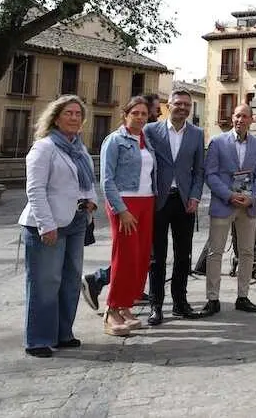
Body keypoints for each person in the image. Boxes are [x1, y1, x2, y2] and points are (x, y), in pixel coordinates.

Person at [19, 95, 99, 356]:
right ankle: (38, 340)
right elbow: (35, 189)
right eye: (69, 113)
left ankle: (63, 333)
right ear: (55, 117)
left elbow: (88, 182)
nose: (75, 117)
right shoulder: (44, 148)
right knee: (45, 282)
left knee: (70, 280)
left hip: (76, 222)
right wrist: (46, 225)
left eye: (78, 114)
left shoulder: (79, 148)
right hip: (47, 224)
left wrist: (91, 201)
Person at [143, 90, 206, 325]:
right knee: (156, 257)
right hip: (158, 201)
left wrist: (195, 197)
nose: (182, 107)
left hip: (184, 202)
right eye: (178, 103)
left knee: (183, 256)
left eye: (187, 104)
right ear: (168, 105)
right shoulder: (151, 131)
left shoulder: (198, 134)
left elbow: (199, 171)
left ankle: (180, 303)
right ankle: (156, 306)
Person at [203, 104, 256, 314]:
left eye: (245, 116)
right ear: (232, 118)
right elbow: (210, 174)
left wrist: (253, 197)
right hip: (223, 204)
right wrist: (229, 195)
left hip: (248, 207)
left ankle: (243, 296)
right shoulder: (217, 142)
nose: (240, 120)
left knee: (247, 252)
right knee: (215, 253)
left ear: (251, 120)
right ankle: (213, 299)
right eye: (237, 116)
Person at [100, 96, 157, 332]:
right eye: (136, 113)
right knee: (123, 257)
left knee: (140, 258)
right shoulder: (114, 140)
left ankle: (126, 306)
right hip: (125, 202)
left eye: (144, 114)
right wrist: (121, 210)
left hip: (147, 201)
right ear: (125, 115)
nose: (141, 117)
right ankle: (112, 309)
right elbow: (106, 179)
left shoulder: (146, 141)